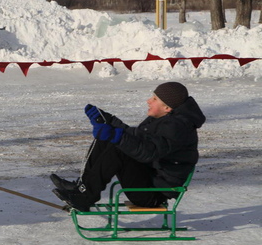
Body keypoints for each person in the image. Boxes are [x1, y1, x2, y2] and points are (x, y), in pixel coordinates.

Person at [51, 82, 206, 212]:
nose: (148, 101)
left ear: (167, 108)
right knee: (109, 140)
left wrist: (115, 136)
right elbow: (135, 136)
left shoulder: (177, 127)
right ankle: (82, 187)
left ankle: (85, 197)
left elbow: (149, 152)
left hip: (153, 193)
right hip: (149, 179)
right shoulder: (164, 120)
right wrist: (109, 121)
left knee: (118, 147)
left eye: (154, 99)